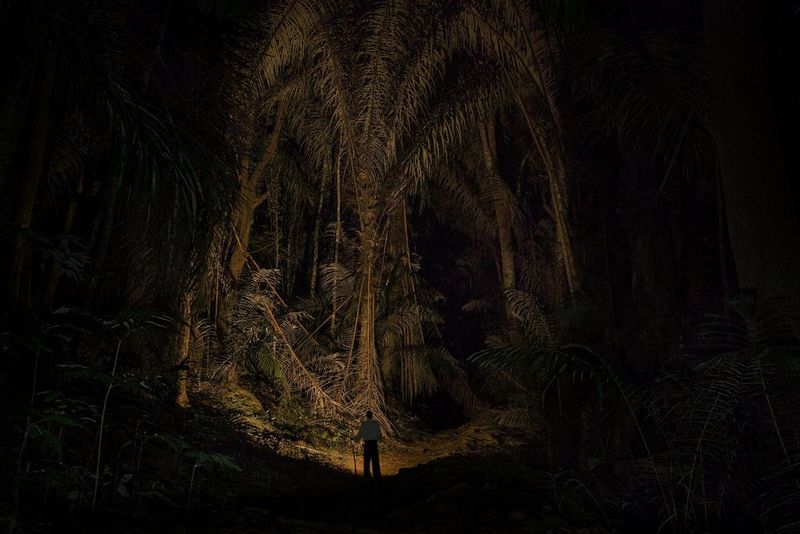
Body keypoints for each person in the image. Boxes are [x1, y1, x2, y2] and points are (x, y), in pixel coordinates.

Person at [352, 410, 381, 480]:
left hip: (367, 444)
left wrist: (353, 439)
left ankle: (367, 476)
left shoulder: (363, 424)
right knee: (375, 460)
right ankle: (376, 476)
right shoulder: (375, 424)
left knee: (367, 460)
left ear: (366, 416)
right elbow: (379, 435)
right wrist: (377, 440)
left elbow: (359, 435)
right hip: (374, 443)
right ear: (372, 415)